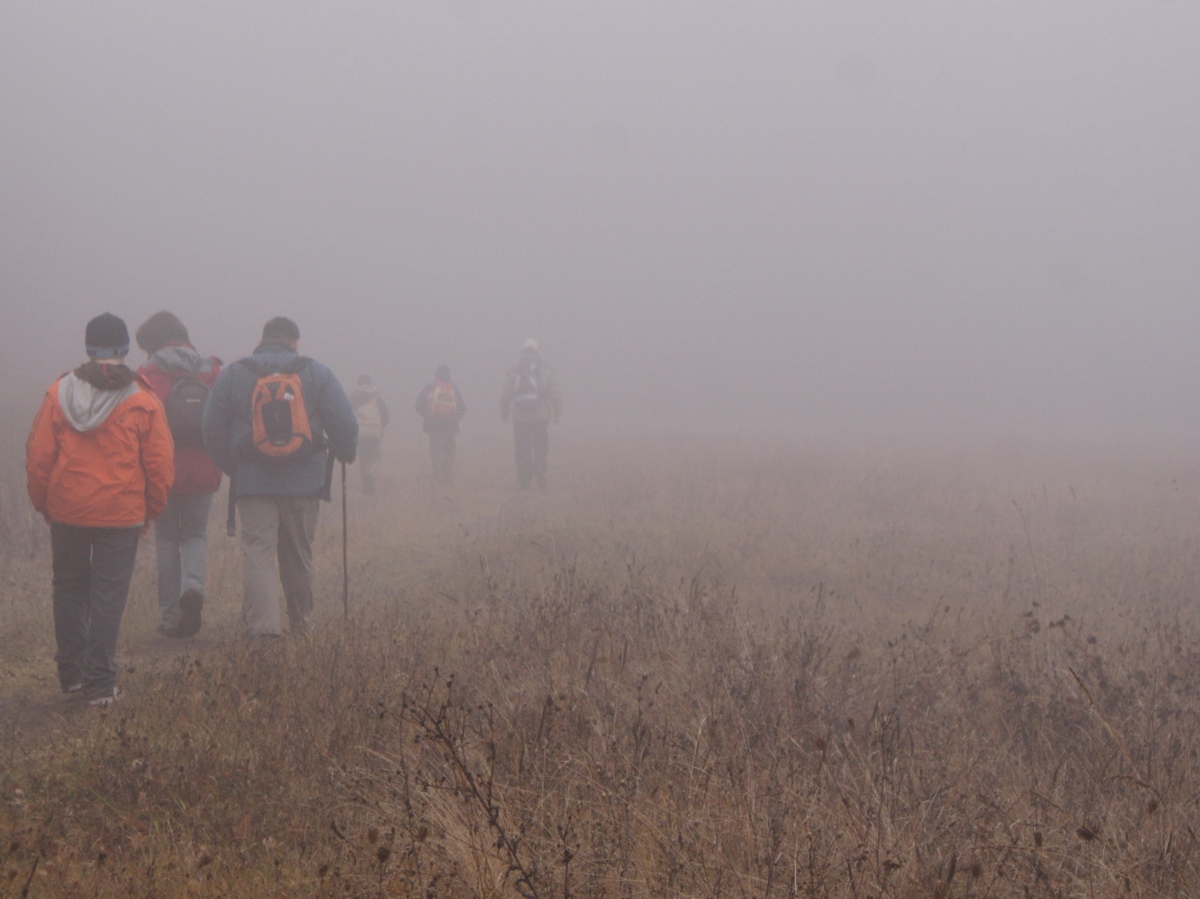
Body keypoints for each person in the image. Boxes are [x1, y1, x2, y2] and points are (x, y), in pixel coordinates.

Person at [26, 313, 174, 706]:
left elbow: (39, 456)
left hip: (67, 508)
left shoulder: (57, 393)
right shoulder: (142, 399)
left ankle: (72, 673)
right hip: (120, 513)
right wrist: (152, 511)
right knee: (108, 595)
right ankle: (100, 684)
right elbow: (159, 465)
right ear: (125, 349)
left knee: (69, 588)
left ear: (89, 347)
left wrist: (43, 502)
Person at [202, 317, 357, 637]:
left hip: (253, 482)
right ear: (294, 342)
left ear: (263, 339)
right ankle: (302, 625)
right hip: (304, 481)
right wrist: (346, 451)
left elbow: (211, 429)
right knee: (298, 554)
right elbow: (344, 421)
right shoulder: (316, 372)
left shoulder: (234, 374)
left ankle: (264, 630)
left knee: (258, 552)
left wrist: (234, 467)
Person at [135, 312, 223, 638]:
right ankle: (194, 586)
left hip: (163, 470)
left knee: (167, 539)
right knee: (195, 535)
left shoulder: (148, 374)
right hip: (203, 470)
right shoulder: (211, 371)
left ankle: (170, 618)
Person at [499, 338, 562, 490]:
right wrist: (557, 413)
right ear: (537, 351)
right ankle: (540, 468)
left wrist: (504, 414)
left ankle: (525, 481)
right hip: (541, 416)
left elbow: (505, 396)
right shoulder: (547, 370)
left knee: (522, 448)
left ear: (523, 351)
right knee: (541, 444)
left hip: (520, 417)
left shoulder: (514, 371)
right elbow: (555, 394)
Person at [414, 365, 467, 486]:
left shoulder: (431, 388)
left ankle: (439, 480)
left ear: (436, 375)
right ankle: (448, 479)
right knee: (449, 452)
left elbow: (418, 405)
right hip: (450, 427)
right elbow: (463, 409)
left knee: (437, 453)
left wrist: (428, 416)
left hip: (435, 426)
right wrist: (454, 419)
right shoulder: (453, 389)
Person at [348, 374, 389, 492]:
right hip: (375, 434)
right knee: (373, 460)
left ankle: (366, 486)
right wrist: (379, 427)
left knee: (363, 459)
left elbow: (347, 415)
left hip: (360, 434)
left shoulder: (354, 396)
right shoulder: (376, 396)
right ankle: (371, 485)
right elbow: (385, 416)